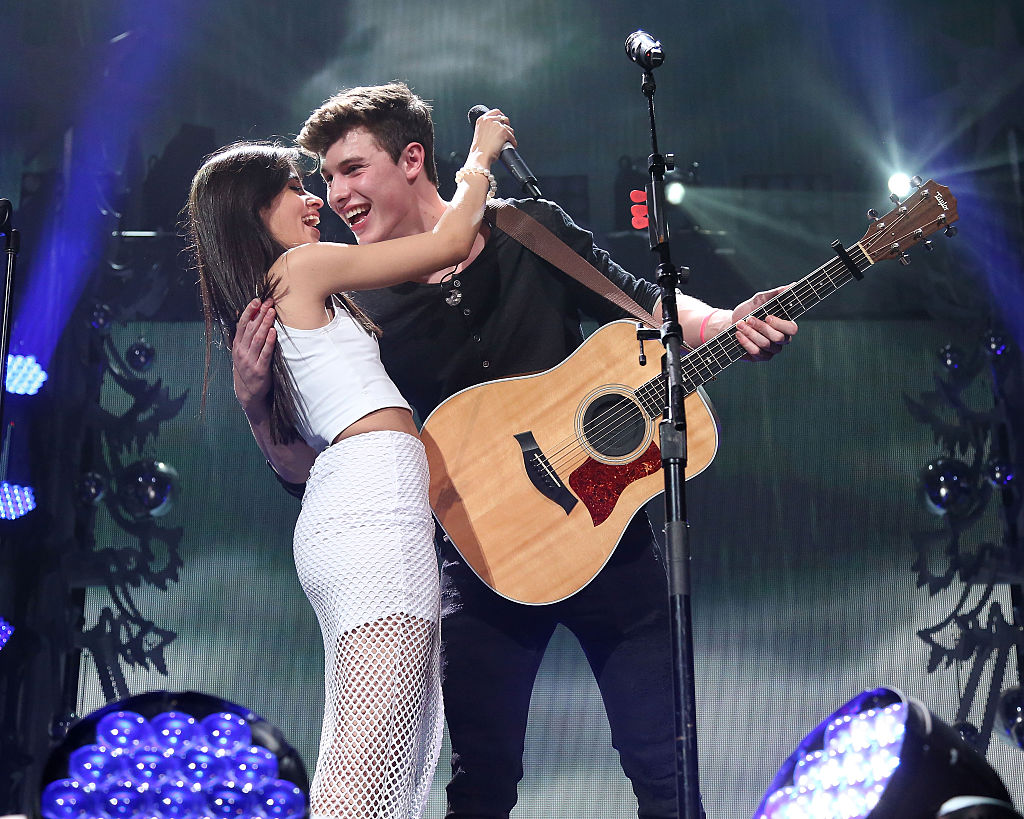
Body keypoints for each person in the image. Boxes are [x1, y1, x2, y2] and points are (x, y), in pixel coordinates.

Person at [232, 82, 798, 818]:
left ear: (412, 159)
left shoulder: (529, 228)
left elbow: (642, 303)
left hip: (609, 539)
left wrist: (721, 321)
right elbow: (319, 468)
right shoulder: (350, 300)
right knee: (481, 788)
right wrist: (257, 406)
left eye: (352, 169)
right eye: (327, 177)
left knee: (667, 768)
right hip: (479, 563)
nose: (336, 194)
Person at [186, 108, 514, 819]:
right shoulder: (301, 268)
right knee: (367, 760)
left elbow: (300, 465)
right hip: (370, 510)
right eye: (294, 188)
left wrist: (254, 406)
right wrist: (481, 157)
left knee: (378, 746)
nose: (316, 201)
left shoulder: (278, 297)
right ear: (254, 211)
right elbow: (450, 240)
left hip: (354, 504)